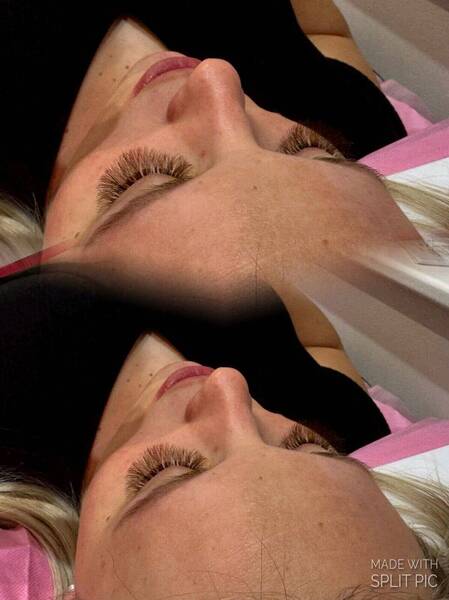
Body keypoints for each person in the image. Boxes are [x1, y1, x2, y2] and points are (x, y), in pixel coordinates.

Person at [0, 267, 448, 600]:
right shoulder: (346, 418)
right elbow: (321, 346)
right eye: (310, 448)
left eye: (167, 471)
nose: (229, 384)